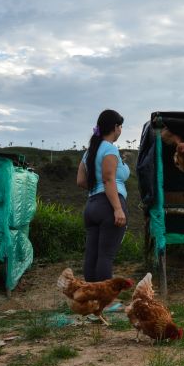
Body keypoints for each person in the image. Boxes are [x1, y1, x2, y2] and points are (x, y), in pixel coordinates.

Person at [76, 109, 130, 281]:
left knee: (92, 255)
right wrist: (117, 208)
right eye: (120, 127)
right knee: (106, 256)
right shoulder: (110, 150)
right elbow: (108, 179)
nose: (120, 131)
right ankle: (106, 300)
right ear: (115, 127)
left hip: (92, 205)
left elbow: (81, 181)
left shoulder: (89, 152)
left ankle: (91, 297)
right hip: (109, 205)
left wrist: (97, 191)